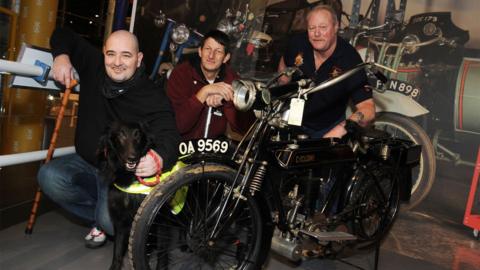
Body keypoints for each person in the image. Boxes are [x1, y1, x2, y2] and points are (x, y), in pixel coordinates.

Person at [37, 28, 180, 248]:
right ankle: (101, 215)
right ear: (103, 53)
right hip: (87, 162)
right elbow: (63, 34)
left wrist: (158, 157)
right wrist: (61, 57)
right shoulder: (94, 65)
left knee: (110, 223)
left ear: (139, 58)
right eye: (111, 54)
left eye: (126, 55)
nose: (117, 62)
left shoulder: (151, 95)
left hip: (118, 175)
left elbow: (170, 135)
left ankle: (105, 219)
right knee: (48, 176)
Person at [278, 4, 375, 138]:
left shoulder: (350, 59)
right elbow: (284, 63)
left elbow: (368, 108)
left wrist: (341, 129)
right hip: (291, 120)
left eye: (323, 27)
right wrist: (281, 86)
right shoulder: (297, 43)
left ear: (336, 27)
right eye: (312, 28)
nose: (317, 33)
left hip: (327, 129)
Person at [167, 30, 252, 140]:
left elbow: (244, 130)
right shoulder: (181, 74)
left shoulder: (232, 80)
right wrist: (204, 92)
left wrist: (228, 100)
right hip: (181, 149)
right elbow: (178, 126)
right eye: (208, 49)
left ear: (226, 58)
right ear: (200, 51)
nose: (211, 56)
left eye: (218, 51)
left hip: (215, 151)